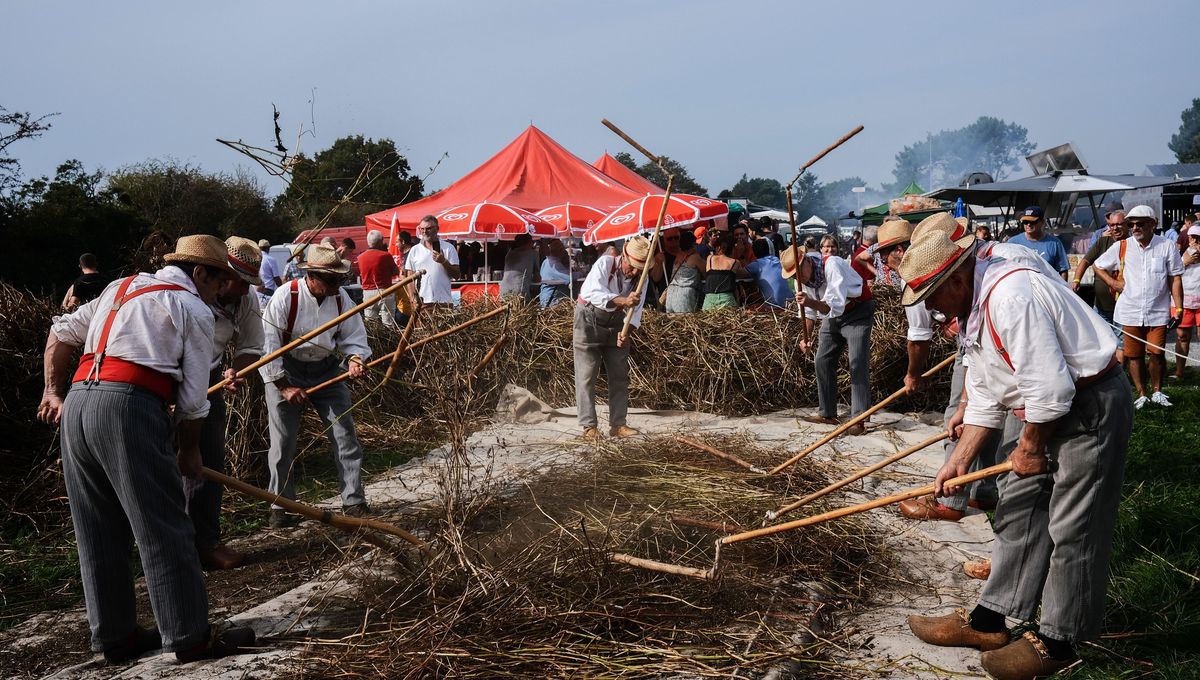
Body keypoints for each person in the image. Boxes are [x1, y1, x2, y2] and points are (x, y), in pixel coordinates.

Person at [899, 211, 1131, 680]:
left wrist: (1027, 446)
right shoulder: (975, 304)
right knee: (1019, 509)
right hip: (1045, 410)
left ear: (957, 278)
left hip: (1088, 405)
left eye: (934, 297)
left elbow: (1051, 390)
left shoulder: (1010, 296)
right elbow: (987, 392)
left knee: (1073, 525)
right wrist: (958, 464)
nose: (934, 310)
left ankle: (1060, 640)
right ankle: (990, 619)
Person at [38, 234, 256, 662]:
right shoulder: (192, 306)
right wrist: (190, 452)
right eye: (217, 284)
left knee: (97, 529)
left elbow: (60, 332)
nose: (218, 295)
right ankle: (190, 636)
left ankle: (116, 638)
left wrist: (51, 391)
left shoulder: (119, 287)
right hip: (128, 407)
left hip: (79, 405)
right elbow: (195, 399)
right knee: (164, 524)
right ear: (199, 274)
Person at [259, 244, 372, 527]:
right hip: (287, 370)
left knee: (345, 435)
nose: (337, 286)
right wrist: (283, 386)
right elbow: (268, 346)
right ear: (312, 276)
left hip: (326, 370)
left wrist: (355, 359)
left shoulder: (340, 298)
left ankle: (354, 501)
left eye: (340, 280)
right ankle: (281, 506)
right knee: (283, 443)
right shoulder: (287, 296)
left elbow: (353, 335)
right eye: (332, 280)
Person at [191, 236, 265, 571]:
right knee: (168, 467)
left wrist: (238, 369)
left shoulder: (245, 302)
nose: (246, 290)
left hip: (209, 381)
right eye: (240, 282)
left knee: (211, 465)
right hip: (168, 383)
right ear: (222, 274)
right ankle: (174, 547)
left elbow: (252, 345)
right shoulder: (190, 294)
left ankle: (206, 542)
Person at [1093, 205, 1184, 408]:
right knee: (1134, 355)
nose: (1134, 228)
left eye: (1139, 223)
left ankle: (1157, 391)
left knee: (1157, 353)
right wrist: (1113, 283)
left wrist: (1178, 308)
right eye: (1131, 224)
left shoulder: (1167, 246)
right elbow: (1097, 265)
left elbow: (1175, 278)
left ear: (1153, 224)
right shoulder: (1122, 246)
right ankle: (1141, 393)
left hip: (1158, 310)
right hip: (1130, 309)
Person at [784, 245, 872, 435]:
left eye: (798, 272)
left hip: (856, 311)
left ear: (807, 261)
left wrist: (809, 302)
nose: (797, 279)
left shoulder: (831, 265)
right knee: (822, 360)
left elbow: (834, 306)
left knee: (856, 362)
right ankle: (827, 413)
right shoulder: (803, 281)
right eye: (793, 277)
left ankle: (859, 418)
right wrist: (805, 337)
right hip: (831, 317)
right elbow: (808, 313)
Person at [573, 235, 651, 440]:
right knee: (587, 374)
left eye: (639, 269)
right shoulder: (605, 263)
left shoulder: (642, 278)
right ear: (624, 254)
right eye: (632, 266)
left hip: (617, 323)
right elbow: (594, 294)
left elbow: (637, 311)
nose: (634, 272)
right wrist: (624, 300)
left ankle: (618, 424)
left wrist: (626, 333)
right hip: (589, 319)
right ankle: (589, 426)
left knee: (619, 375)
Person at [1071, 206, 1127, 334]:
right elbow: (1086, 261)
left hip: (1124, 307)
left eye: (1119, 224)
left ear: (1127, 224)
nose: (1115, 228)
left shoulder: (1132, 243)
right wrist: (1076, 279)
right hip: (1101, 306)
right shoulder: (1103, 241)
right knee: (1103, 342)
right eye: (1112, 225)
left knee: (1120, 346)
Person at [403, 215, 460, 305]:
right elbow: (410, 277)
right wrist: (412, 299)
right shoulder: (415, 250)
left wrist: (444, 262)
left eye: (428, 228)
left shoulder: (448, 248)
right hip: (421, 303)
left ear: (437, 229)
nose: (424, 232)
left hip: (443, 302)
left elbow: (457, 275)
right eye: (422, 229)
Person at [1005, 206, 1070, 279]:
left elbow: (1063, 270)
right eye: (1025, 222)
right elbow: (1004, 268)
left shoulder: (1054, 243)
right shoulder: (1012, 243)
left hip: (1047, 288)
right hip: (1021, 288)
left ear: (1042, 222)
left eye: (1033, 221)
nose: (1029, 224)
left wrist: (1062, 288)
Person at [358, 229, 401, 328]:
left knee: (371, 323)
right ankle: (391, 343)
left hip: (367, 292)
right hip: (384, 290)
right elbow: (395, 272)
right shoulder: (385, 256)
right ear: (380, 241)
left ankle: (374, 343)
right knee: (388, 323)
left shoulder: (360, 257)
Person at [1174, 225, 1200, 379]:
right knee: (1183, 336)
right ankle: (1179, 371)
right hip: (1184, 300)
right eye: (1192, 237)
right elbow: (1172, 273)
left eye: (1198, 237)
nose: (1195, 241)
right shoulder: (1180, 254)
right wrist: (1185, 261)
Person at [665, 230, 706, 313]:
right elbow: (706, 273)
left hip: (671, 293)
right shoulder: (695, 257)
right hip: (684, 295)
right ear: (693, 244)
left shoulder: (678, 255)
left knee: (673, 324)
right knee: (685, 323)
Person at [702, 232, 744, 310]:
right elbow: (744, 273)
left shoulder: (710, 258)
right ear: (733, 249)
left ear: (718, 248)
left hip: (709, 301)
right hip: (727, 300)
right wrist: (741, 253)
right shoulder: (735, 262)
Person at [745, 239, 789, 309]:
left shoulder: (757, 265)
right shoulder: (777, 260)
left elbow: (739, 272)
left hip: (774, 305)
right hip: (790, 302)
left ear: (754, 252)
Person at [499, 233, 539, 301]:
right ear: (529, 242)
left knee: (507, 311)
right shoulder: (533, 253)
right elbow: (537, 277)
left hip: (504, 289)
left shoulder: (509, 253)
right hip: (520, 290)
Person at [539, 239, 572, 307]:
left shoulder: (546, 261)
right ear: (560, 251)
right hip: (552, 301)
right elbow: (568, 277)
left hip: (547, 298)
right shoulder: (554, 263)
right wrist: (581, 273)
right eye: (562, 249)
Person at [257, 239, 283, 303]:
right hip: (268, 290)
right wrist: (282, 289)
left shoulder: (255, 259)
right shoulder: (271, 260)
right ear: (268, 248)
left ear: (259, 248)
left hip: (257, 290)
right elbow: (276, 277)